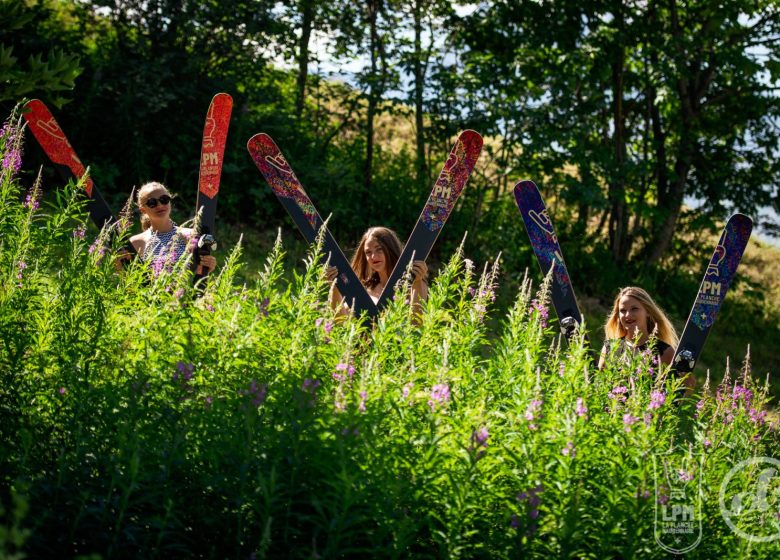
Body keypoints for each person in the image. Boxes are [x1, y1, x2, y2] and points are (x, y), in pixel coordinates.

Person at [598, 286, 693, 384]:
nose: (627, 315)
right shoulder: (610, 348)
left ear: (647, 312)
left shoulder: (664, 352)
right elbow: (600, 386)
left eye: (634, 309)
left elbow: (684, 388)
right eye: (623, 310)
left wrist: (686, 380)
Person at [118, 181, 216, 275]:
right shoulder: (136, 242)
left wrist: (208, 266)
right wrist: (118, 268)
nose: (160, 205)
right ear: (143, 210)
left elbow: (197, 275)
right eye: (152, 202)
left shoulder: (190, 236)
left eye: (164, 199)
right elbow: (128, 282)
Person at [326, 226, 428, 313]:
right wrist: (335, 288)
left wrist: (417, 283)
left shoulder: (414, 282)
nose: (373, 257)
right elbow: (340, 324)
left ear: (390, 249)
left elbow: (416, 326)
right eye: (368, 252)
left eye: (379, 249)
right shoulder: (363, 289)